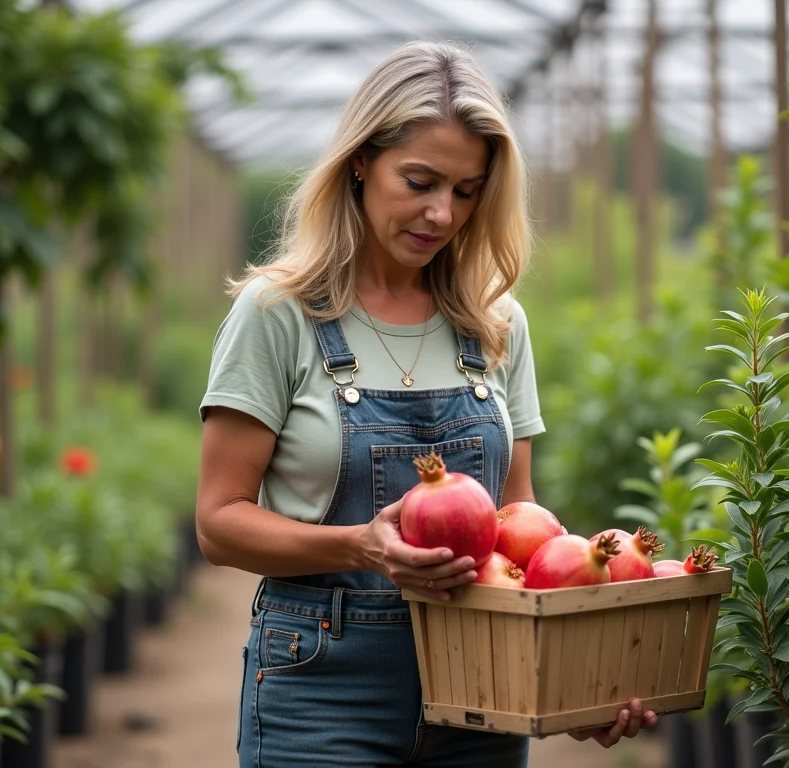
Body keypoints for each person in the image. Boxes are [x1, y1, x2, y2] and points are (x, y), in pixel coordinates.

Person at [195, 41, 656, 768]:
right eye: (420, 181)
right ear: (359, 162)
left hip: (483, 690)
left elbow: (518, 533)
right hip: (322, 686)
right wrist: (358, 546)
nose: (442, 213)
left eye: (467, 190)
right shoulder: (278, 314)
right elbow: (219, 525)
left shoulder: (495, 322)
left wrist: (578, 683)